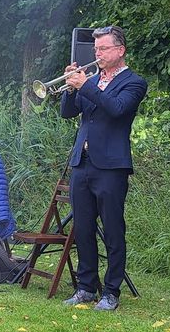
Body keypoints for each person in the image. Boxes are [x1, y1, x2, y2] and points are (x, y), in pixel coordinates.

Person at [60, 25, 147, 311]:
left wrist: (85, 85)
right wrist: (70, 87)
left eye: (103, 49)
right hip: (82, 162)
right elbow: (68, 113)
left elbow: (117, 108)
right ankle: (86, 287)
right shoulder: (93, 79)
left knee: (112, 230)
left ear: (120, 50)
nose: (97, 54)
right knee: (83, 228)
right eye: (96, 49)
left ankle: (111, 291)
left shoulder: (134, 82)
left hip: (111, 165)